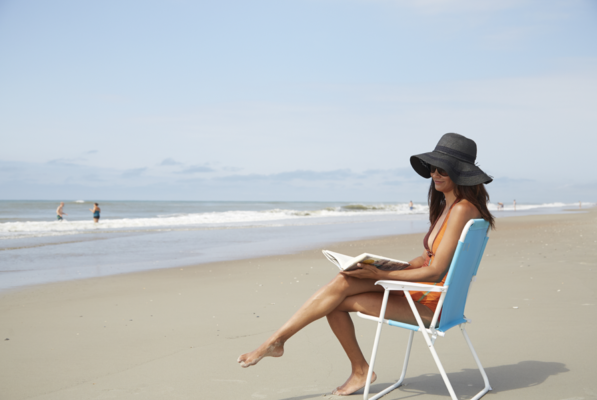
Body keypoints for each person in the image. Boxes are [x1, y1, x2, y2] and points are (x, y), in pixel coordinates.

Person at [237, 133, 495, 395]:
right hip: (428, 294)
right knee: (343, 283)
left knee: (336, 296)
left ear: (460, 173)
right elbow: (428, 257)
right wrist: (393, 267)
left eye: (442, 170)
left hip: (430, 304)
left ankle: (288, 346)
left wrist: (380, 273)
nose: (435, 174)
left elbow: (436, 270)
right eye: (432, 168)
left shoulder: (462, 209)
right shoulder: (451, 207)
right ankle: (284, 344)